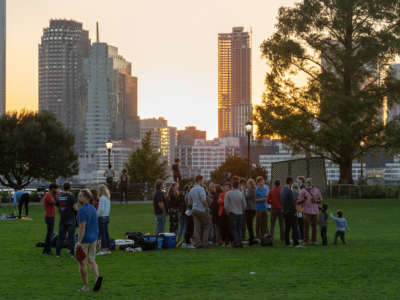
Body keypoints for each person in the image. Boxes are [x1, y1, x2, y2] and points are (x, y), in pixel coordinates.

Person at [76, 189, 102, 292]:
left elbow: (82, 227)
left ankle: (86, 286)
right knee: (92, 261)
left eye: (80, 196)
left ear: (86, 198)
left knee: (82, 263)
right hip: (93, 238)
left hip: (85, 239)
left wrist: (79, 241)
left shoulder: (81, 210)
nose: (79, 197)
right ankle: (97, 280)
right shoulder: (93, 208)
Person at [297, 178, 323, 246]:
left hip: (315, 211)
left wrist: (316, 201)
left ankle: (314, 240)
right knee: (306, 227)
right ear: (305, 183)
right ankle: (306, 241)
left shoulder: (316, 190)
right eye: (307, 182)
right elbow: (298, 202)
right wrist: (303, 199)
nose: (308, 183)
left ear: (312, 182)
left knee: (314, 227)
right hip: (306, 211)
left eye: (310, 182)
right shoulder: (303, 191)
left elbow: (321, 199)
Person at [55, 182, 78, 257]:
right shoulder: (71, 196)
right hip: (71, 218)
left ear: (63, 187)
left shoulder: (59, 196)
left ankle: (58, 253)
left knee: (61, 237)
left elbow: (58, 208)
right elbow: (75, 207)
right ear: (70, 187)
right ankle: (72, 253)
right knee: (71, 237)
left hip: (62, 219)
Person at [224, 176, 247, 248]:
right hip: (240, 213)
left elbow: (226, 205)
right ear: (238, 185)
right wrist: (242, 210)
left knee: (234, 229)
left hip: (232, 213)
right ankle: (240, 242)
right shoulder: (241, 193)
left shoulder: (228, 193)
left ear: (232, 185)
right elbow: (244, 204)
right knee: (239, 229)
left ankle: (237, 243)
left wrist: (227, 212)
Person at [188, 175, 210, 248]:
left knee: (196, 227)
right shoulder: (201, 189)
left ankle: (197, 243)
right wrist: (207, 207)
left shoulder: (191, 189)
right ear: (200, 180)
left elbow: (189, 202)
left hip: (194, 209)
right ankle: (205, 243)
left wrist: (191, 208)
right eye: (202, 180)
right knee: (206, 226)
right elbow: (203, 199)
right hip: (201, 209)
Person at [281, 177, 300, 248]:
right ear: (290, 182)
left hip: (285, 211)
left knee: (287, 228)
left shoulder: (283, 190)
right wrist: (295, 210)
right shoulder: (289, 190)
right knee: (294, 227)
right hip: (291, 212)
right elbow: (292, 202)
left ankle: (287, 243)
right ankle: (296, 243)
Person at [42, 183, 58, 255]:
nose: (56, 190)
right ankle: (47, 250)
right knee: (49, 234)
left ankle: (46, 250)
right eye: (55, 188)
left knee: (49, 234)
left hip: (50, 216)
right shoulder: (48, 195)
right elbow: (54, 202)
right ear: (52, 188)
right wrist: (57, 195)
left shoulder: (49, 195)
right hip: (49, 216)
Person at [217, 182, 234, 247]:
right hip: (221, 212)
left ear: (230, 188)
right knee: (222, 227)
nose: (226, 188)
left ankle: (230, 241)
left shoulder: (231, 194)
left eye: (227, 187)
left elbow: (231, 202)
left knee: (229, 228)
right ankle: (224, 241)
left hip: (229, 212)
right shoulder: (221, 194)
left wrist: (223, 201)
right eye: (225, 187)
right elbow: (219, 202)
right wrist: (226, 201)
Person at [97, 184, 111, 255]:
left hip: (102, 217)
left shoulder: (102, 198)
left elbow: (100, 210)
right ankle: (107, 248)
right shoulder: (107, 198)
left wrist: (96, 215)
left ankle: (103, 249)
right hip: (106, 217)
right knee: (106, 233)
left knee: (103, 234)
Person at [245, 179, 257, 245]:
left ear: (251, 184)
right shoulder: (251, 190)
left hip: (250, 209)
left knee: (249, 224)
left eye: (248, 184)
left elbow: (246, 197)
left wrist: (243, 191)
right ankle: (251, 237)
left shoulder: (251, 190)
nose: (247, 185)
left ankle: (252, 238)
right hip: (251, 209)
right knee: (249, 224)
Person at [183, 184, 195, 248]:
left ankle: (187, 241)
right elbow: (190, 204)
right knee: (190, 228)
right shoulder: (189, 195)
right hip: (190, 212)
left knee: (189, 228)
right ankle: (188, 242)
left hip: (187, 212)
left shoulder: (187, 194)